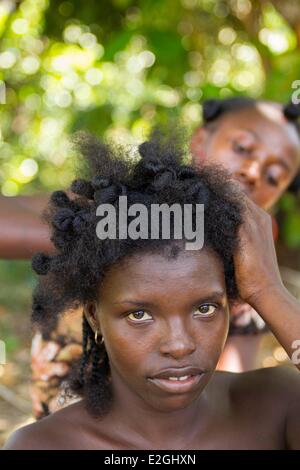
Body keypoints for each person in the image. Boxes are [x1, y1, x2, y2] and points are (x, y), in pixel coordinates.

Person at [1, 97, 299, 417]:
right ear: (200, 140)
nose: (254, 171)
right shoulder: (106, 208)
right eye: (242, 147)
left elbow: (218, 410)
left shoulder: (244, 290)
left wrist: (267, 289)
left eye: (274, 176)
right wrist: (95, 232)